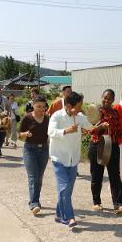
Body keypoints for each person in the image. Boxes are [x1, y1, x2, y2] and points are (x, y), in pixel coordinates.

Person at [48, 91, 104, 227]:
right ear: (68, 105)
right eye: (77, 107)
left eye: (80, 107)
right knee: (65, 187)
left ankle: (58, 214)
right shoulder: (57, 116)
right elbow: (51, 132)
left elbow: (91, 127)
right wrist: (66, 131)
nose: (80, 109)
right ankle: (69, 217)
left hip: (73, 159)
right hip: (59, 158)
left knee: (66, 190)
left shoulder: (79, 117)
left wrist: (100, 126)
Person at [88, 89, 122, 215]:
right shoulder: (96, 110)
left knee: (115, 176)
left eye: (109, 99)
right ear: (102, 97)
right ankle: (96, 202)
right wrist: (100, 126)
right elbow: (89, 129)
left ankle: (118, 205)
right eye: (105, 98)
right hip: (97, 145)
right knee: (97, 175)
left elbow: (119, 130)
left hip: (113, 146)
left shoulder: (115, 112)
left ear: (113, 100)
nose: (107, 100)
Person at [19, 95, 49, 215]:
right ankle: (34, 203)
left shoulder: (48, 118)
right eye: (38, 106)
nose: (41, 109)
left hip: (44, 150)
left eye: (43, 106)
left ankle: (34, 200)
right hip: (29, 150)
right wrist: (25, 133)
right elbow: (20, 134)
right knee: (33, 177)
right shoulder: (27, 118)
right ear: (33, 105)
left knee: (39, 178)